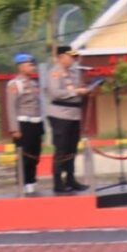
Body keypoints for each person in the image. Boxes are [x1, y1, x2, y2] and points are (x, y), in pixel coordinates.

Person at [42, 46, 97, 195]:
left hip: (74, 114)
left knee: (72, 148)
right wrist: (76, 91)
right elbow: (55, 93)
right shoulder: (54, 72)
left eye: (74, 57)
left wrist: (86, 91)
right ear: (61, 57)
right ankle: (58, 182)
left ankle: (70, 179)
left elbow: (76, 91)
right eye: (70, 56)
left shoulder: (73, 73)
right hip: (60, 115)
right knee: (62, 148)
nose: (73, 59)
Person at [5, 54, 43, 197]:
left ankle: (31, 182)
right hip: (23, 123)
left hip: (36, 122)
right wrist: (14, 129)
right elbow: (11, 107)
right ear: (21, 67)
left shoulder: (34, 84)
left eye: (33, 65)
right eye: (29, 65)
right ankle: (22, 183)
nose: (32, 67)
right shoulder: (15, 84)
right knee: (23, 156)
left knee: (34, 155)